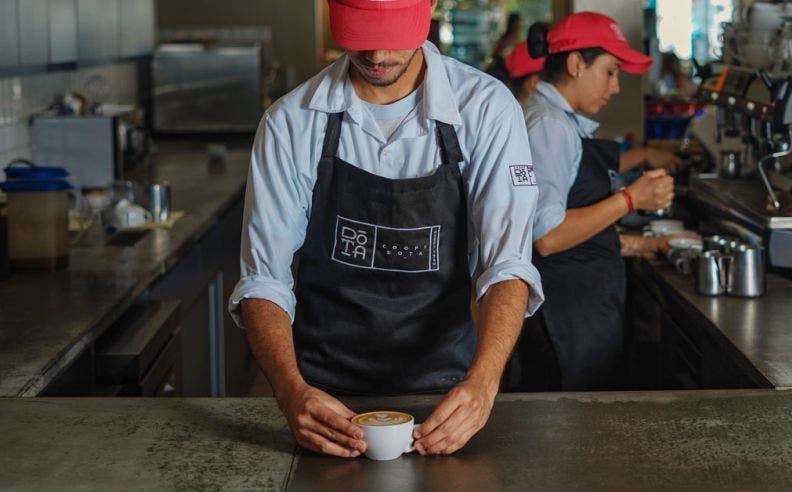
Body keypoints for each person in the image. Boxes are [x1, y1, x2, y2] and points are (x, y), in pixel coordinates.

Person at [230, 0, 543, 458]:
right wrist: (289, 389)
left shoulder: (486, 109)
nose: (376, 55)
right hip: (324, 396)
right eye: (359, 32)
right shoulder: (291, 121)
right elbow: (264, 278)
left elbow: (507, 265)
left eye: (393, 32)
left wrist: (483, 383)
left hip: (445, 392)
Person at [515, 12, 696, 391]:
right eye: (611, 71)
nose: (615, 87)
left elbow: (575, 223)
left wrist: (641, 245)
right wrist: (631, 199)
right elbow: (547, 236)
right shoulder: (549, 127)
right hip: (565, 316)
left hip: (575, 311)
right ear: (576, 63)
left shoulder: (558, 121)